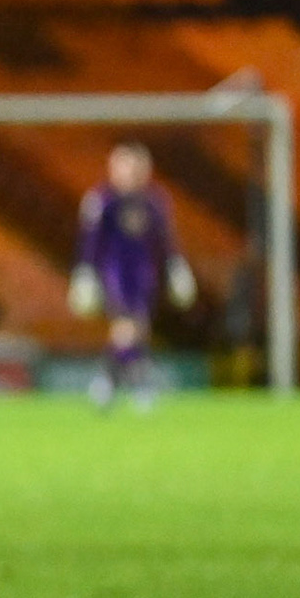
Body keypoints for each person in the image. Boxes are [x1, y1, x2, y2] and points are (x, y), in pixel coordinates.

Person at [68, 141, 196, 410]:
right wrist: (86, 270)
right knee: (127, 328)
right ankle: (138, 385)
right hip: (116, 271)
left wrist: (175, 265)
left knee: (138, 330)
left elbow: (165, 240)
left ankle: (108, 381)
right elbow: (91, 239)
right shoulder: (103, 200)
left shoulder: (154, 201)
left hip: (144, 273)